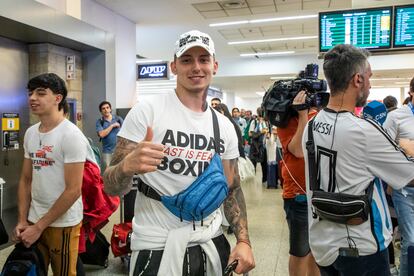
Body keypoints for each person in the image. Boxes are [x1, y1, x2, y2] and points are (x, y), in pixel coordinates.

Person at [103, 30, 255, 276]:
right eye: (187, 60)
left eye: (203, 59)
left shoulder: (224, 126)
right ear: (174, 66)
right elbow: (110, 186)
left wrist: (244, 241)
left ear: (214, 65)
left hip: (211, 240)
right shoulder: (147, 112)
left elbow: (232, 188)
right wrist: (126, 166)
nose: (196, 67)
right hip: (156, 244)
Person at [302, 44, 414, 276]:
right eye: (369, 77)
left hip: (323, 245)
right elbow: (408, 175)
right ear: (357, 80)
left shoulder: (311, 126)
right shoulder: (364, 131)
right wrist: (405, 146)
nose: (371, 84)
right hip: (361, 248)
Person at [13, 73, 93, 276]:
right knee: (34, 271)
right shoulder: (31, 133)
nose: (32, 98)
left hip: (63, 223)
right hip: (33, 219)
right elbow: (26, 179)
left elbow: (73, 190)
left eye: (40, 93)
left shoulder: (71, 136)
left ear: (58, 98)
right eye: (30, 93)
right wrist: (23, 220)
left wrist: (39, 227)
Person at [277, 91, 320, 276]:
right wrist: (302, 115)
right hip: (298, 195)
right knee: (301, 251)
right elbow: (298, 150)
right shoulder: (284, 121)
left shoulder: (318, 116)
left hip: (320, 193)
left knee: (318, 251)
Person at [383, 77, 414, 276]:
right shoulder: (396, 117)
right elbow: (383, 150)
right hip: (405, 190)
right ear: (412, 92)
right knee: (411, 242)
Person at [96, 101, 123, 168]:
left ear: (110, 109)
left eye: (107, 108)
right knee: (108, 172)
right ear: (101, 111)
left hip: (119, 151)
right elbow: (101, 134)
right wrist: (112, 126)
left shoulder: (118, 119)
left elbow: (126, 133)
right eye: (103, 108)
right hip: (107, 152)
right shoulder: (100, 122)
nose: (106, 110)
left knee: (119, 172)